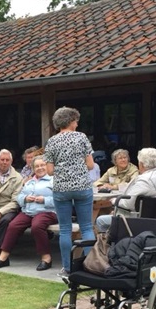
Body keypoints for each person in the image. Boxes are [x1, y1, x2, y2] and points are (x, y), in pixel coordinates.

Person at [43, 106, 95, 278]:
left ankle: (67, 268)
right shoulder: (81, 138)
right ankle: (89, 267)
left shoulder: (52, 141)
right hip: (82, 187)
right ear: (71, 121)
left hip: (61, 189)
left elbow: (49, 171)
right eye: (76, 120)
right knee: (86, 227)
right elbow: (90, 165)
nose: (77, 123)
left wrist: (63, 168)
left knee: (65, 230)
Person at [0, 156, 58, 271]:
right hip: (28, 211)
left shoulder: (54, 181)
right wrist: (26, 198)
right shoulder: (29, 182)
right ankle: (3, 258)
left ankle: (46, 258)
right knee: (13, 225)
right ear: (33, 168)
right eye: (37, 166)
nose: (40, 168)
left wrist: (45, 200)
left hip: (47, 211)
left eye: (42, 165)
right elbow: (19, 197)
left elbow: (61, 200)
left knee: (36, 226)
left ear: (47, 166)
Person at [95, 147, 156, 232]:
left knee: (101, 220)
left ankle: (112, 243)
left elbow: (128, 204)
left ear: (141, 164)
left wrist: (114, 201)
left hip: (136, 220)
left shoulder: (144, 180)